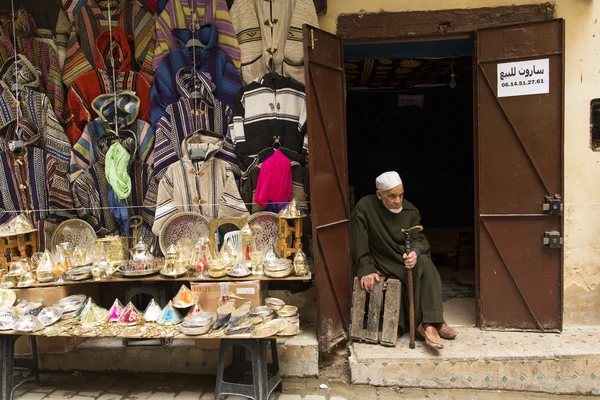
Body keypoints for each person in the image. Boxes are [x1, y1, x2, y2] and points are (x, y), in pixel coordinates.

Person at [351, 171, 457, 349]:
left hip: (403, 256)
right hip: (382, 258)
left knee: (426, 264)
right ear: (379, 195)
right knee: (418, 268)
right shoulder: (365, 207)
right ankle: (431, 323)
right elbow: (359, 241)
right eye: (392, 196)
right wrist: (366, 268)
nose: (398, 201)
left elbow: (419, 239)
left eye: (401, 195)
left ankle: (430, 322)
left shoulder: (410, 210)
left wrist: (414, 252)